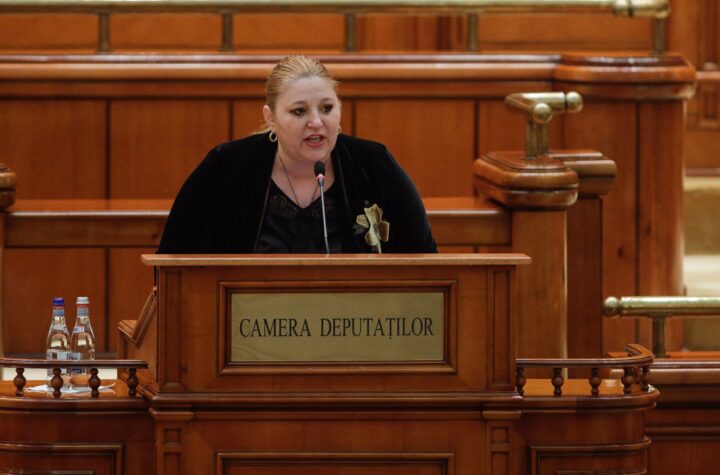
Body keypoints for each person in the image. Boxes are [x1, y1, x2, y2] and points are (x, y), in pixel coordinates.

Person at [158, 55, 436, 254]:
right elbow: (173, 263)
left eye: (326, 108)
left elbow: (424, 259)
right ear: (270, 118)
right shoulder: (225, 167)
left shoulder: (374, 165)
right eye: (299, 111)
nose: (316, 122)